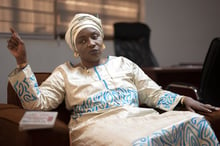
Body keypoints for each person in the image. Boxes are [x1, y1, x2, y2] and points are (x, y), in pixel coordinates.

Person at [7, 13, 219, 146]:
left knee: (195, 122)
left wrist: (182, 100)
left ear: (102, 40)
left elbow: (150, 92)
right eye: (82, 40)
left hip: (138, 118)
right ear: (75, 49)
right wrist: (22, 62)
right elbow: (36, 104)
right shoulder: (64, 73)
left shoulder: (124, 63)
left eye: (95, 36)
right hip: (97, 126)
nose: (91, 43)